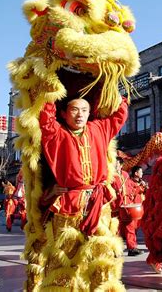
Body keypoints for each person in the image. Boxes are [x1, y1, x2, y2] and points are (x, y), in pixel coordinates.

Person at [38, 96, 128, 289]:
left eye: (84, 110)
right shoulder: (56, 134)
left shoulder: (99, 129)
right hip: (68, 201)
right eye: (74, 110)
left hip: (98, 203)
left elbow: (120, 115)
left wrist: (116, 93)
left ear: (90, 113)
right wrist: (49, 92)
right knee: (65, 257)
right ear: (63, 113)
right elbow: (45, 119)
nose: (80, 114)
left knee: (101, 256)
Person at [119, 165, 147, 256]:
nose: (142, 173)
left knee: (133, 229)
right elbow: (130, 194)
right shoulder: (129, 182)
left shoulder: (141, 183)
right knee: (129, 229)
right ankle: (131, 248)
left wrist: (145, 187)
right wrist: (138, 188)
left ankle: (132, 246)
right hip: (131, 209)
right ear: (136, 173)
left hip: (139, 210)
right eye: (140, 172)